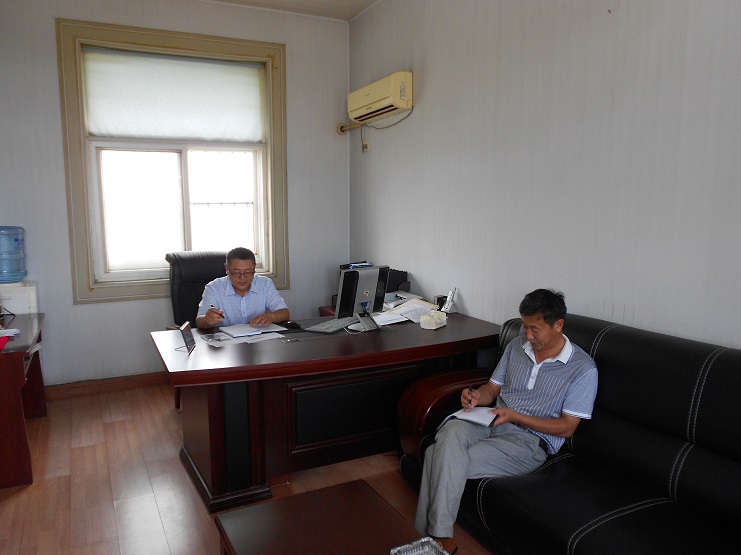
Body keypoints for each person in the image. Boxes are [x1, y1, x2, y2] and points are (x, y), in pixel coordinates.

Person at [415, 289, 598, 555]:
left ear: (558, 325)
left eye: (535, 329)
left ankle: (434, 539)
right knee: (452, 430)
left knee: (436, 455)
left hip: (528, 442)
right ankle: (437, 541)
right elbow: (492, 389)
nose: (528, 335)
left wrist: (515, 416)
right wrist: (476, 396)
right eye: (524, 326)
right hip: (490, 419)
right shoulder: (516, 346)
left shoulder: (582, 368)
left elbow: (567, 427)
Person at [196, 247, 289, 329]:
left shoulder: (265, 284)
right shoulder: (214, 288)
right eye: (236, 272)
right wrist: (207, 320)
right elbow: (199, 321)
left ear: (254, 268)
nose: (242, 278)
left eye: (248, 272)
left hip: (259, 339)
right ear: (227, 268)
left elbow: (285, 313)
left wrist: (271, 316)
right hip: (227, 341)